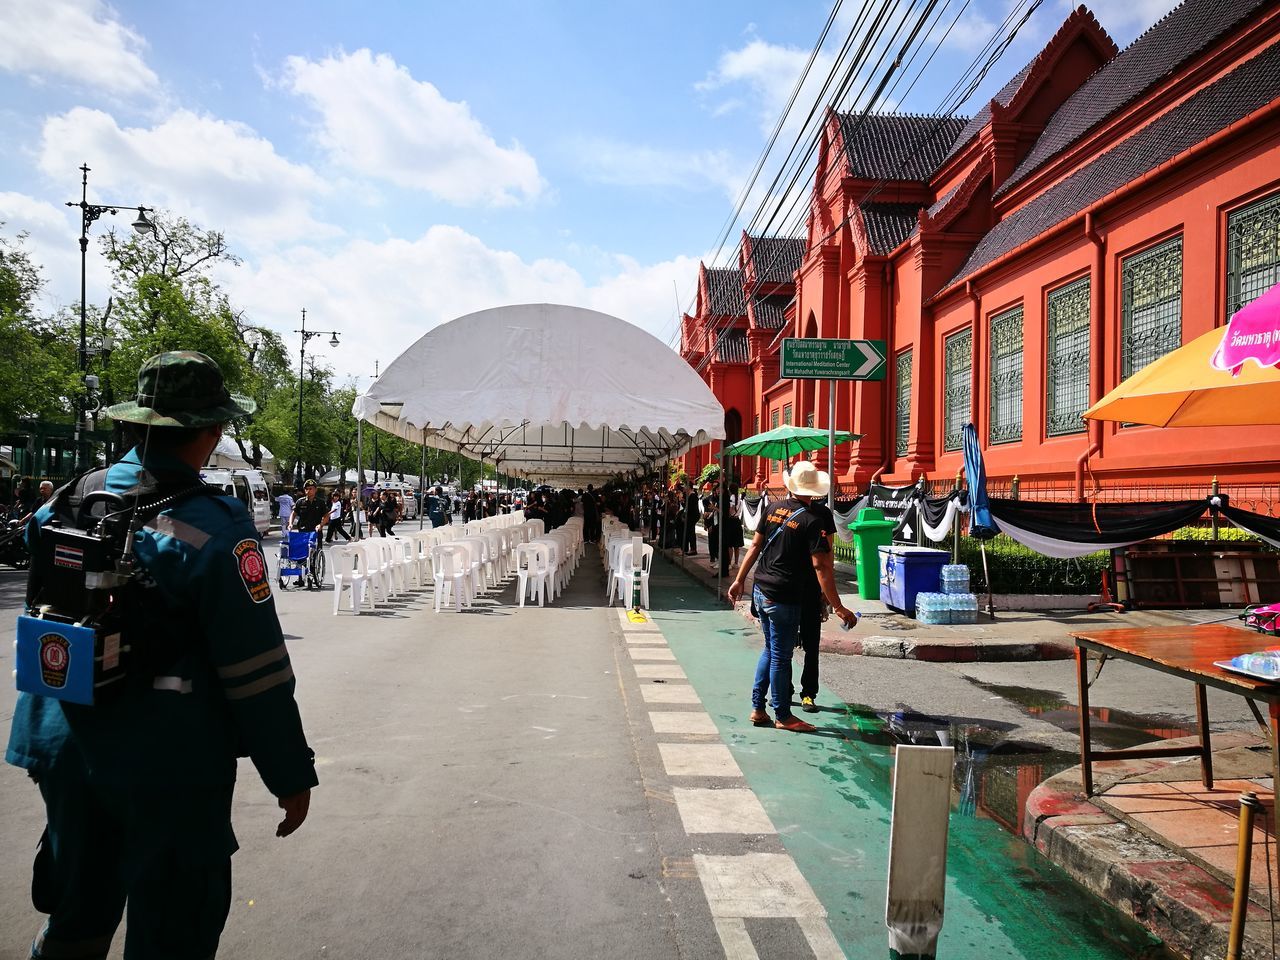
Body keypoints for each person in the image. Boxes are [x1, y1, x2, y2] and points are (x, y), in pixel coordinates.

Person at [6, 350, 316, 959]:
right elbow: (256, 671)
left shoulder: (70, 497)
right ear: (209, 431)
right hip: (167, 762)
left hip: (61, 738)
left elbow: (30, 538)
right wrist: (289, 773)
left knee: (76, 915)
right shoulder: (218, 526)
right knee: (174, 926)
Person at [726, 460, 857, 732]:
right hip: (783, 595)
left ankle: (757, 707)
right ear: (813, 491)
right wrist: (839, 606)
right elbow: (821, 565)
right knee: (781, 657)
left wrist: (739, 580)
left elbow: (754, 546)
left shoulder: (773, 509)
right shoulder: (812, 520)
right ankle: (783, 715)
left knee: (770, 650)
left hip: (760, 589)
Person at [723, 482, 745, 570]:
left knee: (730, 544)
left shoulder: (732, 497)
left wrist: (726, 515)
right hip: (737, 521)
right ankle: (736, 563)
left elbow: (731, 509)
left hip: (731, 521)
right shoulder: (739, 498)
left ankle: (729, 563)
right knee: (736, 545)